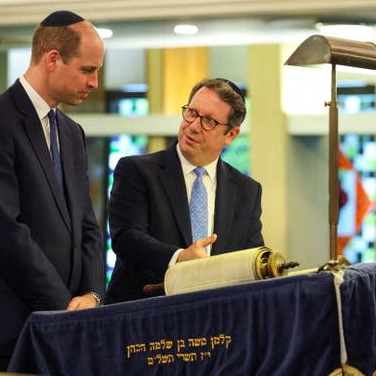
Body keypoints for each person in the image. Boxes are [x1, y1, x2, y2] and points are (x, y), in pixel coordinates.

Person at [0, 10, 106, 371]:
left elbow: (88, 225)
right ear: (53, 59)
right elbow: (6, 231)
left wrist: (91, 295)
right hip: (8, 330)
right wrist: (63, 308)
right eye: (87, 70)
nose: (95, 82)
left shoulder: (72, 133)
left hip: (67, 328)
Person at [105, 78, 264, 304]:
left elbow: (250, 259)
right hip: (145, 314)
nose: (193, 125)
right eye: (192, 112)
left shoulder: (247, 191)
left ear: (231, 135)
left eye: (208, 121)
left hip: (216, 318)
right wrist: (180, 257)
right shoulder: (137, 171)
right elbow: (126, 238)